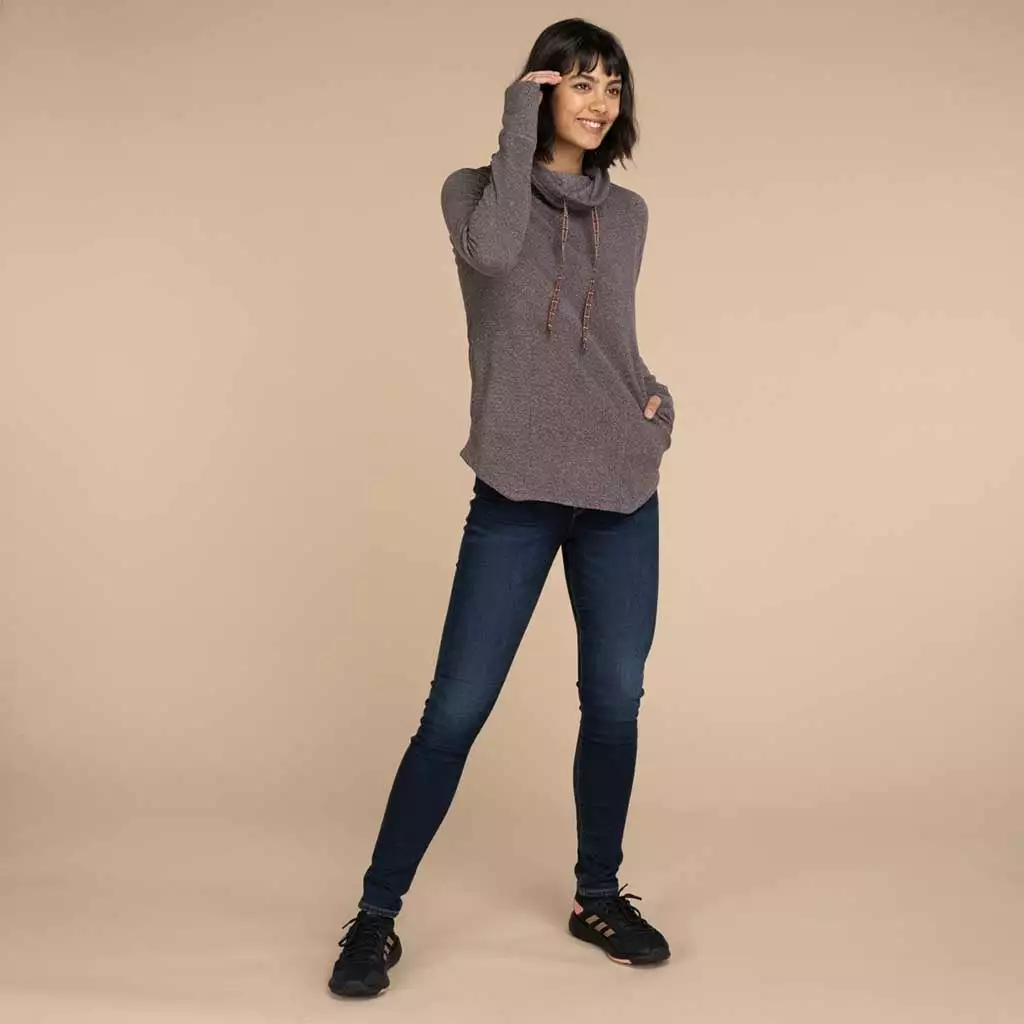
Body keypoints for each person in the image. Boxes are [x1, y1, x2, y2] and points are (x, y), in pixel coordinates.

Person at [329, 17, 675, 998]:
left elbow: (613, 344)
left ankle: (597, 895)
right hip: (517, 491)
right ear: (540, 91)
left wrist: (657, 404)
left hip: (620, 490)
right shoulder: (473, 194)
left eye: (612, 84)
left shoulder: (629, 213)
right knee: (455, 710)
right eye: (579, 82)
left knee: (614, 702)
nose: (599, 101)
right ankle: (375, 916)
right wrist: (517, 120)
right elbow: (492, 256)